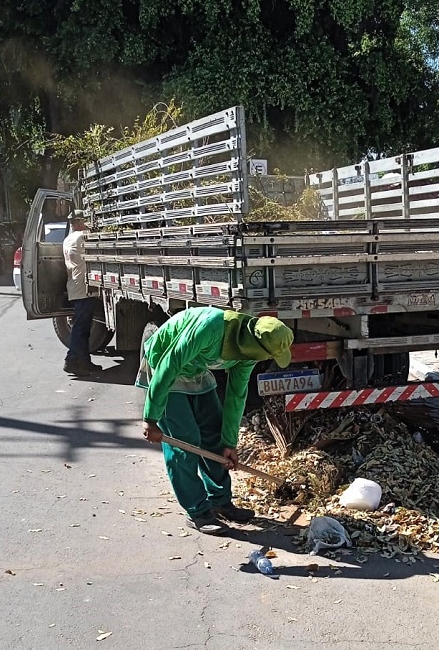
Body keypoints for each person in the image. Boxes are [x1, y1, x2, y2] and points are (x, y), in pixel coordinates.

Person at [138, 306, 294, 535]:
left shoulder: (249, 353)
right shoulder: (210, 328)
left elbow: (236, 396)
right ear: (258, 346)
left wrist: (230, 443)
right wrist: (150, 419)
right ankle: (197, 511)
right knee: (185, 440)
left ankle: (220, 501)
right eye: (269, 355)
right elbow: (169, 365)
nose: (268, 359)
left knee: (214, 434)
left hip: (197, 369)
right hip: (165, 364)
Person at [62, 209, 101, 375]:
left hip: (74, 286)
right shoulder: (81, 237)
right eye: (84, 221)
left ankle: (85, 362)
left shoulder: (67, 239)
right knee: (80, 328)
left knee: (83, 328)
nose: (87, 224)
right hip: (84, 288)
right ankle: (71, 360)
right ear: (78, 223)